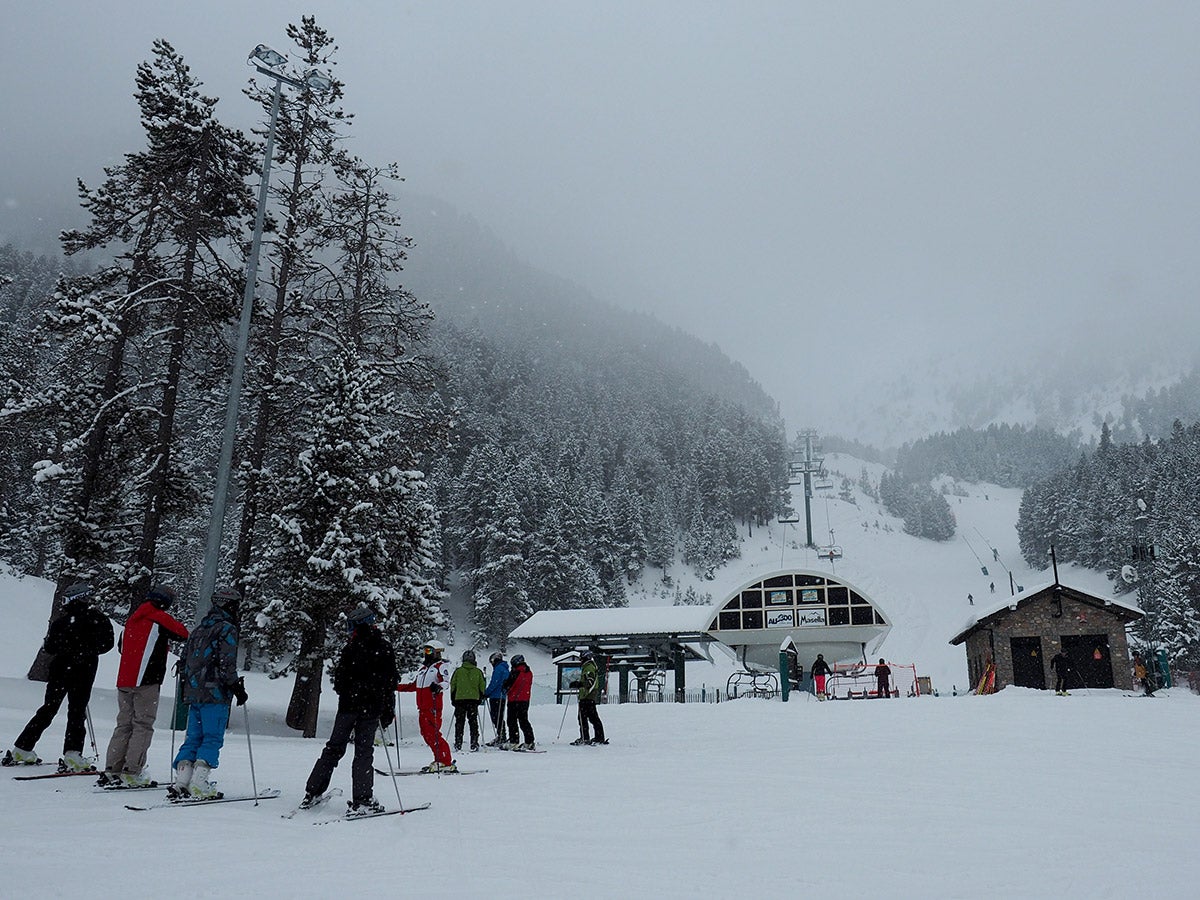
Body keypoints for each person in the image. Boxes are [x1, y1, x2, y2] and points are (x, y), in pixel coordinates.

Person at [4, 582, 114, 770]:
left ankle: (22, 747)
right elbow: (107, 644)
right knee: (77, 711)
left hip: (60, 669)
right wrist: (86, 651)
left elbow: (49, 647)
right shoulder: (98, 619)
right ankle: (72, 753)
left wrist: (68, 650)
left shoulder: (61, 622)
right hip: (84, 669)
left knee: (48, 708)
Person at [302, 604, 397, 815]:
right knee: (363, 752)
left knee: (333, 748)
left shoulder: (351, 647)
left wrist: (349, 694)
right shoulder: (382, 647)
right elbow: (390, 682)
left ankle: (312, 791)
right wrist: (387, 708)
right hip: (369, 708)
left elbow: (339, 681)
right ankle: (362, 800)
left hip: (348, 707)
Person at [100, 584, 189, 787]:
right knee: (142, 725)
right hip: (147, 680)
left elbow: (122, 648)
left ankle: (112, 768)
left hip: (125, 679)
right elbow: (184, 634)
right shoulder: (159, 618)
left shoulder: (132, 619)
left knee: (124, 724)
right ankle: (132, 770)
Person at [170, 586, 247, 799]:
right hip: (216, 693)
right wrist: (235, 687)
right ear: (229, 605)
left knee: (193, 736)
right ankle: (199, 782)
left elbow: (184, 660)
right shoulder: (226, 629)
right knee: (212, 737)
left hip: (194, 691)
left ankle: (181, 781)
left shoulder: (199, 629)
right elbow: (226, 662)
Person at [397, 639, 454, 771]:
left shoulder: (440, 666)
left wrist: (438, 687)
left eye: (429, 651)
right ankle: (438, 759)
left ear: (436, 652)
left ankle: (445, 760)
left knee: (433, 734)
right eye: (425, 651)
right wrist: (396, 687)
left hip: (433, 706)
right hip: (422, 707)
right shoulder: (423, 670)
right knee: (426, 734)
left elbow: (446, 682)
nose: (426, 653)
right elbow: (414, 686)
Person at [450, 649, 487, 752]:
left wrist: (453, 698)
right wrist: (481, 696)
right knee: (473, 722)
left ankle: (458, 743)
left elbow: (453, 685)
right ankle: (474, 743)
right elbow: (482, 687)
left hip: (460, 700)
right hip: (473, 700)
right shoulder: (478, 672)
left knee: (459, 722)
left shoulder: (458, 671)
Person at [572, 649, 607, 746]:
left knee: (583, 717)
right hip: (589, 696)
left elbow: (589, 682)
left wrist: (579, 684)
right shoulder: (589, 667)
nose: (580, 661)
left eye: (581, 659)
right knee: (593, 717)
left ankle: (585, 737)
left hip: (587, 696)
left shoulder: (588, 667)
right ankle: (599, 737)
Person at [503, 654, 535, 750]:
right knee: (523, 720)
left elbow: (509, 684)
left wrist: (505, 685)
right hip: (525, 699)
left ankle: (514, 741)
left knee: (512, 721)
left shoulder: (516, 672)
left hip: (514, 699)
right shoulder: (528, 672)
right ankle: (529, 741)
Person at [484, 651, 510, 746]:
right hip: (502, 696)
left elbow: (494, 683)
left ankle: (501, 736)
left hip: (496, 696)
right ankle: (501, 735)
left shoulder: (498, 669)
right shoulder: (505, 668)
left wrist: (486, 693)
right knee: (499, 716)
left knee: (496, 717)